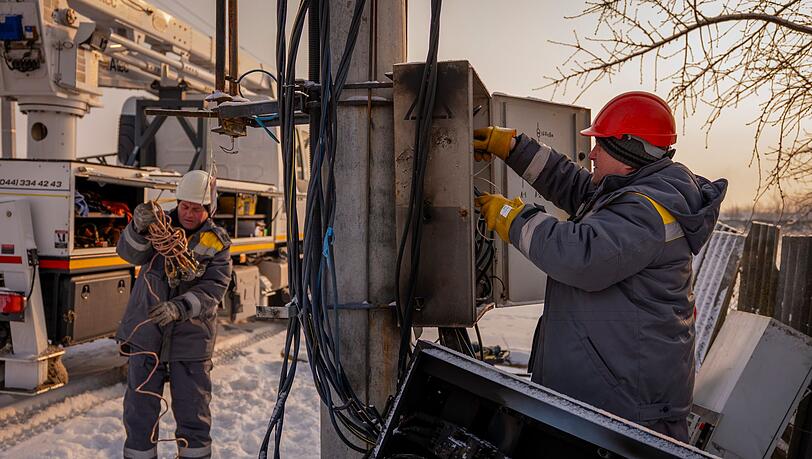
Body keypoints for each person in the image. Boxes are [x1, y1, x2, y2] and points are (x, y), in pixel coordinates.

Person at [473, 91, 727, 442]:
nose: (591, 153)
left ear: (629, 151)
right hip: (607, 398)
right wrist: (515, 148)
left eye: (601, 146)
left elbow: (579, 257)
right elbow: (574, 185)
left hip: (627, 414)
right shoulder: (636, 189)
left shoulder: (647, 211)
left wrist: (512, 218)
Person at [116, 170, 232, 459]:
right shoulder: (158, 227)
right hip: (147, 338)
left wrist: (179, 308)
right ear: (177, 202)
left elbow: (213, 289)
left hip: (190, 343)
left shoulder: (217, 243)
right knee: (139, 414)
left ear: (209, 209)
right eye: (185, 206)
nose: (189, 214)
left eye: (196, 209)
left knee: (194, 414)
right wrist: (136, 228)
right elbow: (128, 254)